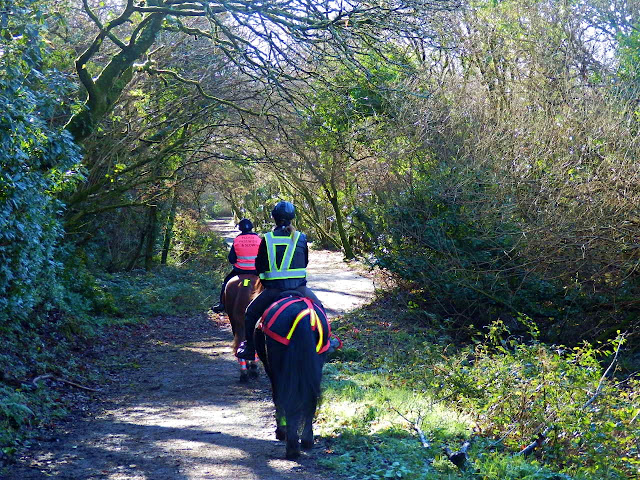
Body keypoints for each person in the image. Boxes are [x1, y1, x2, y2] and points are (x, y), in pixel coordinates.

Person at [236, 201, 323, 360]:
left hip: (274, 290)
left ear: (274, 218)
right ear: (292, 218)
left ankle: (249, 347)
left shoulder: (267, 238)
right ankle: (327, 342)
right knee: (320, 308)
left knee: (250, 314)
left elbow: (259, 266)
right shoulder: (301, 238)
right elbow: (304, 263)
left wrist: (266, 277)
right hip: (299, 289)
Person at [212, 218, 261, 313]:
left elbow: (231, 259)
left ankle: (222, 304)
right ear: (251, 227)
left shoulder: (237, 240)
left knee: (226, 282)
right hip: (256, 271)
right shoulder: (259, 239)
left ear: (240, 228)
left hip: (239, 271)